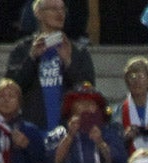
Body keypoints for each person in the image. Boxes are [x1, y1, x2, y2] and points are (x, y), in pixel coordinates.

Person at [6, 0, 92, 138]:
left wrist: (69, 63)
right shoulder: (22, 49)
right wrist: (32, 58)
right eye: (53, 9)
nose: (60, 13)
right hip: (33, 131)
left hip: (68, 132)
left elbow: (88, 90)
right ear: (38, 13)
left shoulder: (78, 51)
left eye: (63, 9)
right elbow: (10, 88)